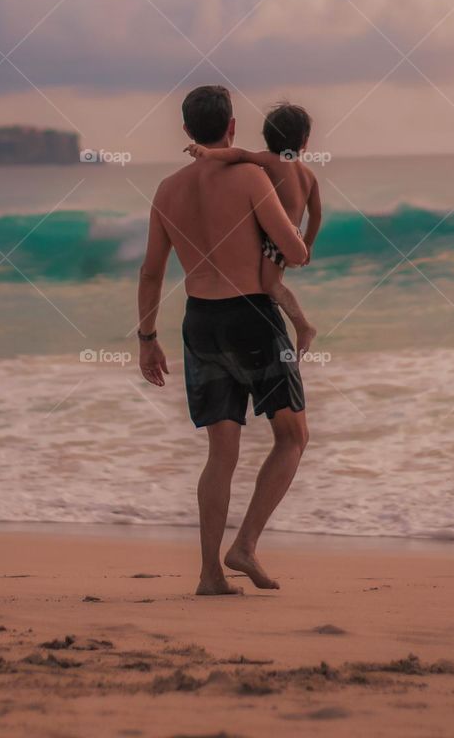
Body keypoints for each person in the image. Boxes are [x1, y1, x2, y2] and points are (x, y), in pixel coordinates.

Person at [137, 84, 309, 595]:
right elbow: (295, 252)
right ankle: (246, 545)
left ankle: (210, 574)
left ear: (188, 132)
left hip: (200, 323)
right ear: (232, 128)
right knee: (293, 437)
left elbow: (150, 272)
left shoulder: (168, 190)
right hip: (252, 317)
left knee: (221, 453)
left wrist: (147, 336)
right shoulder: (252, 176)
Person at [184, 101, 321, 361]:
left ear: (268, 137)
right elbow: (316, 214)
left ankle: (303, 325)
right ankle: (301, 326)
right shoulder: (308, 174)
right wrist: (308, 244)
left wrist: (208, 153)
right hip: (293, 236)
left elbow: (238, 155)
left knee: (271, 285)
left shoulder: (270, 160)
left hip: (276, 237)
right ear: (304, 142)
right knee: (272, 281)